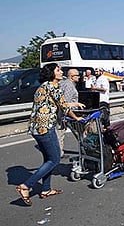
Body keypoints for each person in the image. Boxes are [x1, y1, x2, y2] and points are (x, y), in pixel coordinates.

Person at [16, 63, 84, 206]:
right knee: (55, 159)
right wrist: (77, 117)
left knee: (48, 158)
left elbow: (59, 104)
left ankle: (46, 189)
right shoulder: (53, 87)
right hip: (45, 128)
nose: (61, 72)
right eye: (58, 70)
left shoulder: (43, 86)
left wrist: (73, 106)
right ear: (52, 73)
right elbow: (64, 106)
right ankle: (26, 186)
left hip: (35, 128)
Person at [57, 68, 81, 158]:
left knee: (60, 133)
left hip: (61, 113)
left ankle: (59, 153)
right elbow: (66, 103)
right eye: (77, 75)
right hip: (68, 114)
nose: (79, 77)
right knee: (79, 132)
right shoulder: (69, 85)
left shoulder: (63, 83)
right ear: (71, 77)